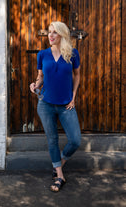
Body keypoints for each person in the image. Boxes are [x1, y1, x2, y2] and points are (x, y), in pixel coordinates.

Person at [30, 21, 81, 192]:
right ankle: (60, 175)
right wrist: (35, 84)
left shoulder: (73, 54)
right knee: (52, 140)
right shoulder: (43, 54)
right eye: (49, 32)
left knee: (75, 140)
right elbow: (40, 76)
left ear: (62, 35)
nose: (50, 36)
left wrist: (73, 97)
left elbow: (77, 75)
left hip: (66, 104)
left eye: (54, 33)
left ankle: (59, 162)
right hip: (46, 104)